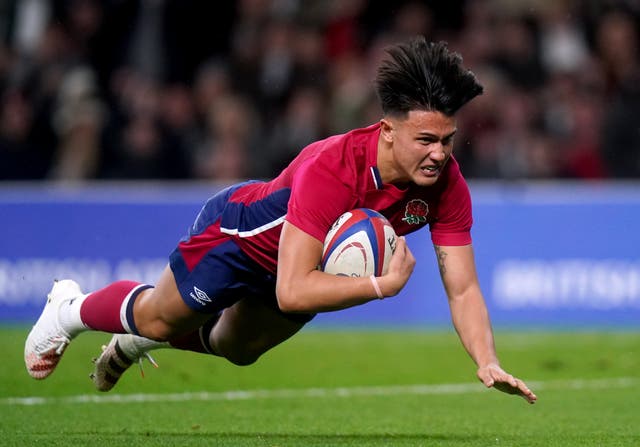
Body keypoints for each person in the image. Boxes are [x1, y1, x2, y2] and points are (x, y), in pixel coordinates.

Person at [25, 36, 537, 404]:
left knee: (235, 349)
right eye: (425, 140)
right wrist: (381, 287)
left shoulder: (447, 185)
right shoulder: (333, 169)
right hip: (239, 237)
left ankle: (137, 340)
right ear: (386, 131)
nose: (439, 154)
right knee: (162, 316)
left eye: (447, 140)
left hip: (302, 266)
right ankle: (70, 307)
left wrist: (485, 359)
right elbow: (293, 291)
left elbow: (464, 289)